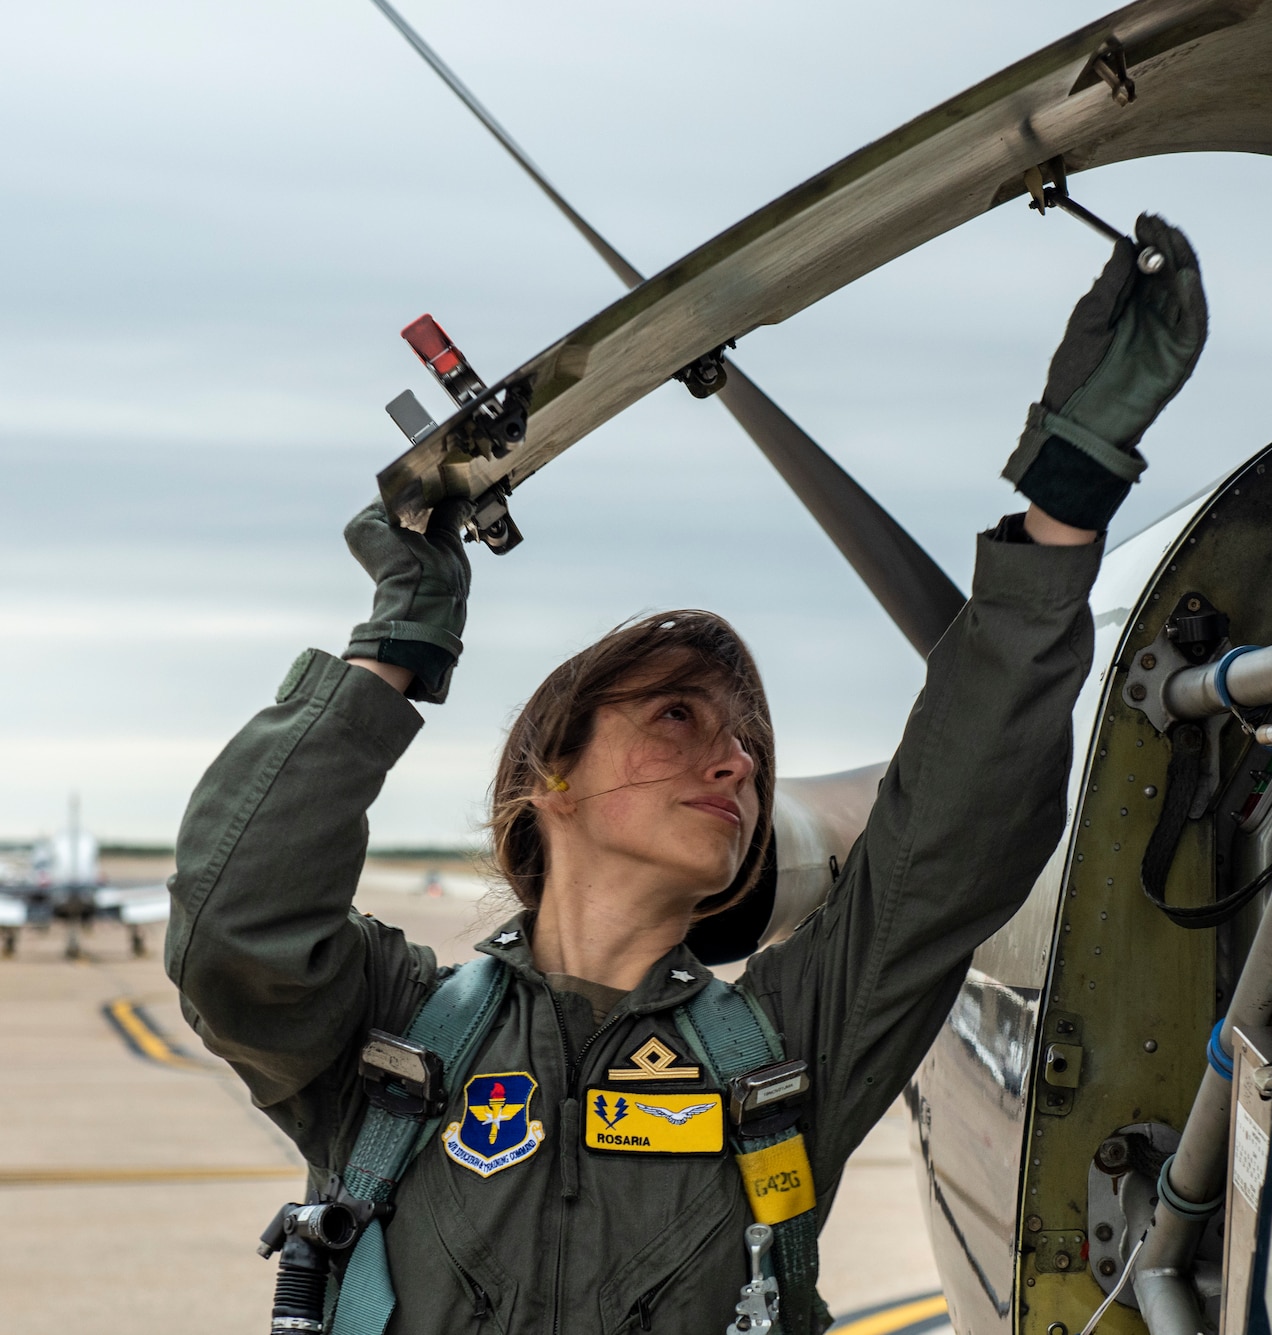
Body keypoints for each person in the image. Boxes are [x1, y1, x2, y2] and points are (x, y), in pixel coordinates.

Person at [167, 216, 1206, 1335]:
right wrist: (393, 658)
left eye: (750, 747)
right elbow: (237, 932)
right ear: (548, 777)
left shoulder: (790, 1047)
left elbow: (952, 837)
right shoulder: (392, 1039)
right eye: (677, 717)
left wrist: (1061, 513)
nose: (736, 761)